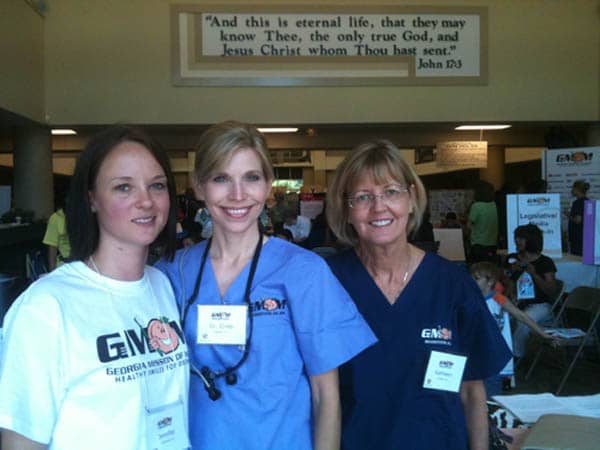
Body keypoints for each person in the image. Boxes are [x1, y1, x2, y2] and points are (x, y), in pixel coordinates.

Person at [155, 121, 376, 450]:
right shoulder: (172, 273)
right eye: (221, 179)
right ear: (199, 187)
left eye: (251, 178)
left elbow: (325, 397)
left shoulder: (303, 272)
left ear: (268, 185)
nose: (238, 195)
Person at [0, 126, 190, 450]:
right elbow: (22, 442)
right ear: (91, 199)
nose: (145, 201)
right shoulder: (47, 306)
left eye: (156, 186)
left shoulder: (161, 285)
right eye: (123, 187)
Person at [326, 140, 511, 450]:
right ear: (346, 210)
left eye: (391, 192)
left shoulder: (453, 284)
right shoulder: (327, 283)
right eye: (363, 197)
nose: (379, 206)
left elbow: (471, 391)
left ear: (411, 199)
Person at [469, 261, 556, 397]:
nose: (472, 281)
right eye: (472, 278)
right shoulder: (469, 299)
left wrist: (542, 333)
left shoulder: (498, 299)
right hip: (476, 354)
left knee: (492, 393)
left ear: (490, 281)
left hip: (496, 353)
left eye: (476, 278)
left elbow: (521, 316)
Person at [505, 223, 560, 359]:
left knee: (524, 321)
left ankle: (515, 357)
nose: (517, 241)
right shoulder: (514, 260)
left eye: (522, 238)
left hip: (539, 305)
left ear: (531, 240)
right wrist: (510, 274)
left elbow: (551, 290)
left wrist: (534, 274)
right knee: (498, 317)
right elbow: (506, 287)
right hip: (517, 302)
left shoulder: (545, 262)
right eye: (516, 237)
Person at [467, 180, 498, 264]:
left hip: (478, 244)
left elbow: (469, 225)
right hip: (492, 244)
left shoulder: (476, 206)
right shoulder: (494, 205)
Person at [42, 193, 71, 271]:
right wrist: (52, 273)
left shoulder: (83, 215)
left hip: (83, 264)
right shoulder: (56, 218)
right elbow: (52, 248)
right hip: (64, 264)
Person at [567, 179, 590, 256]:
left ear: (577, 189)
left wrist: (568, 215)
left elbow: (578, 220)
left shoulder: (577, 203)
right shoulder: (588, 201)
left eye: (572, 188)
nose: (571, 191)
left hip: (577, 238)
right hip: (586, 237)